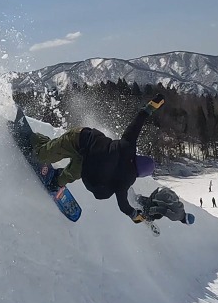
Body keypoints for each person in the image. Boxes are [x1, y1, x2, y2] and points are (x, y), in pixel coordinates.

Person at [28, 94, 165, 223]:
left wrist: (151, 107)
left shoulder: (128, 147)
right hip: (78, 141)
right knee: (43, 155)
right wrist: (134, 215)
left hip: (85, 155)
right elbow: (123, 205)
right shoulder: (126, 179)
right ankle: (34, 139)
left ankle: (57, 179)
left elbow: (137, 122)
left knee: (70, 175)